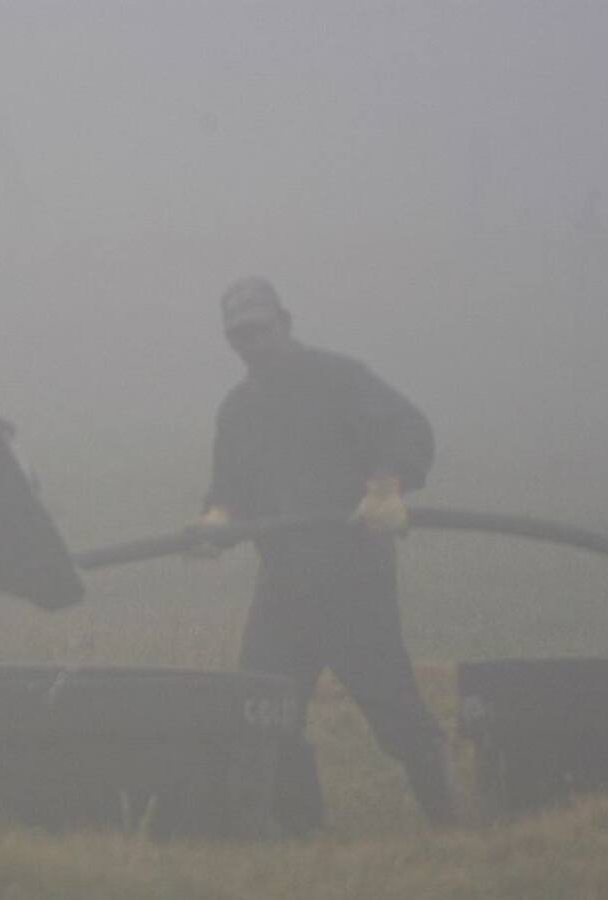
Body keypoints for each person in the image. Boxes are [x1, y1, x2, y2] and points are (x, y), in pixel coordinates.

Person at [191, 276, 455, 832]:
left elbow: (410, 428)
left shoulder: (340, 378)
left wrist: (388, 484)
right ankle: (303, 835)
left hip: (353, 577)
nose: (252, 342)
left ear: (285, 322)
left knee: (393, 708)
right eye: (240, 335)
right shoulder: (237, 411)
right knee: (263, 710)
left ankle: (450, 826)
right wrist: (217, 519)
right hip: (283, 583)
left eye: (261, 329)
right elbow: (229, 489)